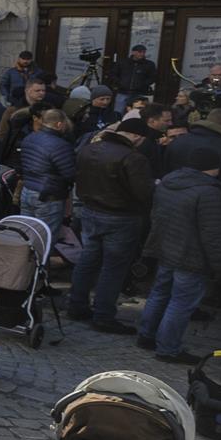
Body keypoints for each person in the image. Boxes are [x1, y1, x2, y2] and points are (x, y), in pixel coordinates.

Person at [140, 140, 221, 363]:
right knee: (181, 303)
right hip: (191, 256)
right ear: (214, 166)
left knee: (159, 293)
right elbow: (213, 235)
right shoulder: (209, 193)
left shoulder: (168, 182)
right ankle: (168, 348)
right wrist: (220, 266)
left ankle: (146, 336)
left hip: (165, 248)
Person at [66, 116, 158, 333]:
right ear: (137, 137)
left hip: (90, 211)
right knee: (113, 268)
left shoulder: (90, 149)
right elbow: (143, 192)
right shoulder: (133, 158)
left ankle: (76, 305)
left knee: (88, 260)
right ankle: (103, 315)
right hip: (120, 217)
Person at [17, 109, 76, 234]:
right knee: (45, 238)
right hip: (48, 196)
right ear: (59, 124)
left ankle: (24, 254)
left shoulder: (30, 137)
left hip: (27, 191)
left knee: (25, 235)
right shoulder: (61, 145)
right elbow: (70, 174)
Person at [112, 44, 158, 109]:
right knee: (118, 111)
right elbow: (114, 74)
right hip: (122, 91)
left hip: (139, 93)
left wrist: (143, 84)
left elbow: (152, 77)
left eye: (143, 52)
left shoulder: (149, 64)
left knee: (137, 112)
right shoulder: (123, 62)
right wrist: (119, 83)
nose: (142, 54)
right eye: (139, 52)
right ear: (133, 52)